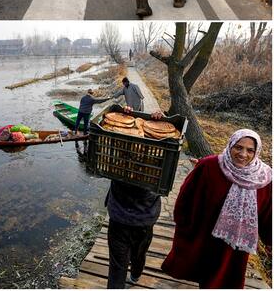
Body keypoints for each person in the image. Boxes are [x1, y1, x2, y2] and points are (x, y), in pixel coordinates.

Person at [161, 129, 272, 288]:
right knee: (205, 277)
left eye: (250, 150)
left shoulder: (264, 178)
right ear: (230, 145)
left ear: (257, 152)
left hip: (235, 249)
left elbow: (268, 212)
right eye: (238, 147)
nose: (243, 154)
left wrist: (269, 240)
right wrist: (184, 223)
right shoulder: (209, 165)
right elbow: (186, 196)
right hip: (205, 239)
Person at [106, 110, 165, 288]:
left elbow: (111, 139)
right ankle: (135, 276)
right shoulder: (157, 164)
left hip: (122, 217)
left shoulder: (117, 162)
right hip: (144, 219)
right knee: (138, 255)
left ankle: (133, 276)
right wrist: (124, 116)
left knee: (118, 265)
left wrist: (123, 116)